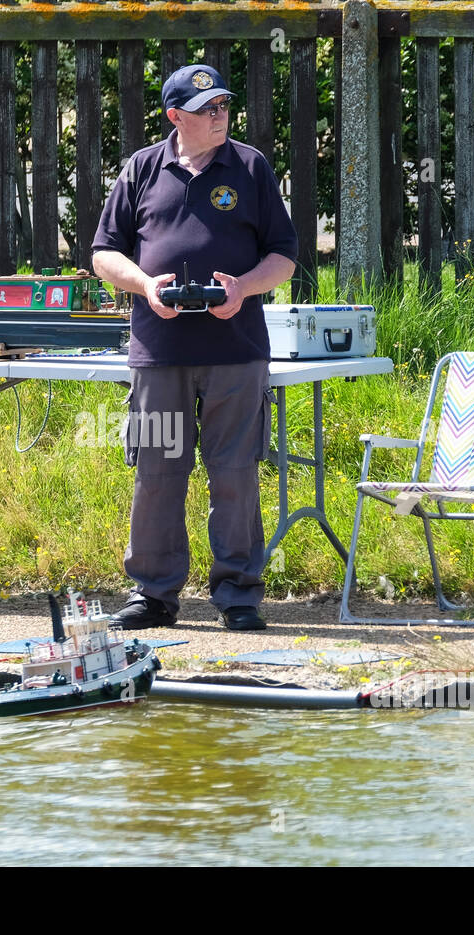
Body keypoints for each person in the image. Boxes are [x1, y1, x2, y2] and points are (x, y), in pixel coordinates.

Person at [91, 64, 298, 631]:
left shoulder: (250, 166)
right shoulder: (141, 169)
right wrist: (145, 285)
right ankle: (154, 595)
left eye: (224, 106)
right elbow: (103, 253)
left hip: (236, 349)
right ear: (175, 116)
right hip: (159, 350)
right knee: (158, 470)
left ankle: (238, 595)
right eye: (207, 108)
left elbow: (284, 255)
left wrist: (242, 288)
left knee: (234, 471)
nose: (220, 115)